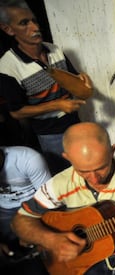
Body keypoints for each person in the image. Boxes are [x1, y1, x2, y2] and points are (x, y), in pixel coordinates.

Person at [11, 122, 115, 275]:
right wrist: (52, 241)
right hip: (79, 258)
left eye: (101, 168)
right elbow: (20, 221)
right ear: (67, 158)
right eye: (83, 171)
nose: (94, 179)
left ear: (112, 151)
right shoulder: (60, 183)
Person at [0, 0, 92, 175]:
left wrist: (84, 84)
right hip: (50, 133)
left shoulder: (54, 49)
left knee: (86, 169)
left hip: (74, 123)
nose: (35, 27)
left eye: (34, 20)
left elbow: (74, 82)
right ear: (8, 29)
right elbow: (16, 112)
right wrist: (57, 105)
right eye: (24, 23)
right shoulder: (8, 66)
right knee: (66, 177)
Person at [0, 145, 50, 273]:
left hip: (35, 205)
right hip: (4, 209)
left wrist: (29, 230)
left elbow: (50, 201)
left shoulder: (28, 159)